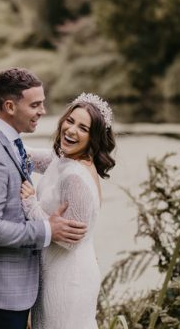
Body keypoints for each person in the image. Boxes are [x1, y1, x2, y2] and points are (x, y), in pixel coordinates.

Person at [0, 68, 88, 329]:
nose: (43, 110)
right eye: (36, 104)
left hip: (12, 288)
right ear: (10, 106)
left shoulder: (10, 143)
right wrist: (47, 229)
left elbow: (54, 159)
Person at [20, 92, 116, 329]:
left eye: (83, 128)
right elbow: (23, 154)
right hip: (53, 271)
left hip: (69, 278)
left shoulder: (75, 176)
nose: (72, 130)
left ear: (93, 138)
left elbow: (72, 240)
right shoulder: (62, 160)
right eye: (70, 121)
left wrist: (31, 205)